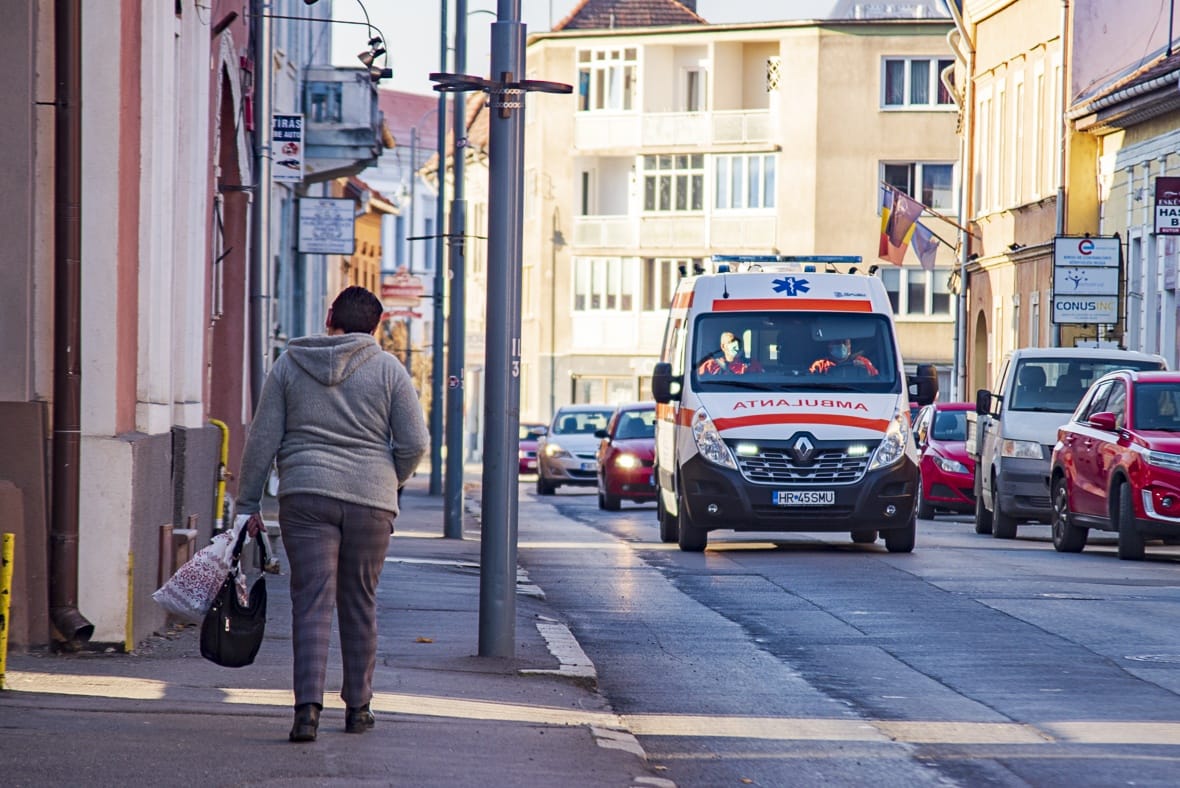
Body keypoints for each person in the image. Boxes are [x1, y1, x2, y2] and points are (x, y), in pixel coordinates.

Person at [235, 286, 430, 744]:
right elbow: (415, 442)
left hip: (306, 495)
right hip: (371, 501)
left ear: (329, 318)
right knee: (360, 601)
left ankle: (306, 711)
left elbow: (262, 439)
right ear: (376, 327)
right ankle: (358, 707)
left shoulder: (290, 365)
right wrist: (390, 478)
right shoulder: (388, 369)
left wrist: (247, 504)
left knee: (311, 603)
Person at [698, 331, 764, 375]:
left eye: (739, 343)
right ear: (723, 346)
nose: (737, 348)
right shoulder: (709, 365)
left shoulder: (753, 364)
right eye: (733, 343)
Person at [809, 337, 878, 377]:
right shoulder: (820, 364)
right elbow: (811, 378)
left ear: (850, 346)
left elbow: (875, 377)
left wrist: (863, 369)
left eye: (845, 342)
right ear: (829, 346)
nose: (841, 345)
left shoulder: (863, 362)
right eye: (837, 342)